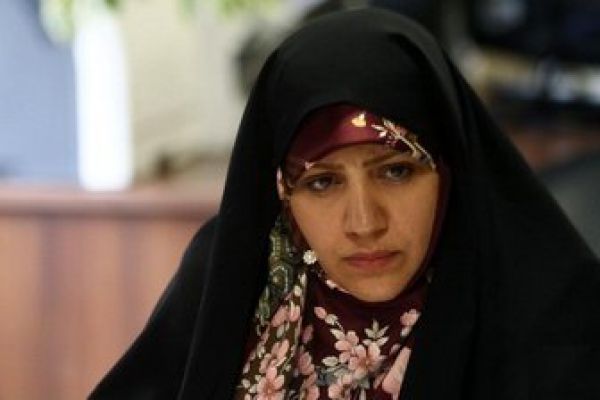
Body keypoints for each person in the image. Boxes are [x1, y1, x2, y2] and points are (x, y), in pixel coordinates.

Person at [89, 8, 600, 400]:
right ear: (282, 191)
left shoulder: (552, 319)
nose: (364, 222)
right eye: (321, 182)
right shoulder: (233, 277)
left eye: (396, 171)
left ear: (450, 170)